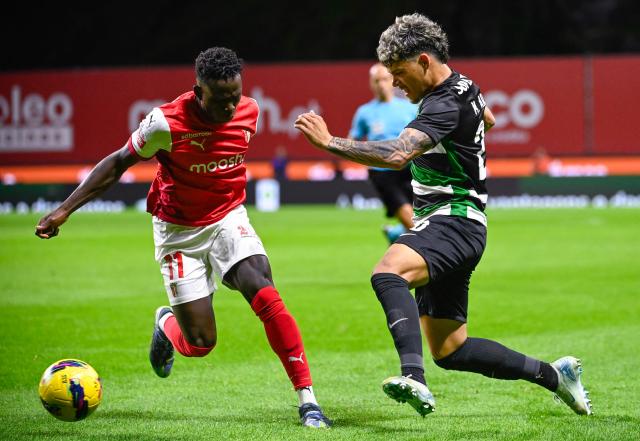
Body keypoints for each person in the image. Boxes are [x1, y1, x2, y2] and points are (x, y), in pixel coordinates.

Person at [295, 14, 591, 417]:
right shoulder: (466, 85)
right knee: (451, 349)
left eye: (399, 74)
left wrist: (329, 142)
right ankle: (555, 376)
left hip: (453, 220)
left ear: (422, 61)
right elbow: (489, 118)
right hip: (461, 223)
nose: (396, 85)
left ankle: (413, 377)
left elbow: (398, 154)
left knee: (388, 273)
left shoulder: (443, 103)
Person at [35, 47, 332, 428]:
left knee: (265, 292)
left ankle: (308, 401)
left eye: (235, 96)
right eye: (220, 99)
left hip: (228, 218)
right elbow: (117, 163)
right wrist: (64, 210)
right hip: (179, 232)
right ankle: (165, 324)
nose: (229, 107)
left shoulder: (251, 110)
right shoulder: (164, 122)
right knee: (201, 343)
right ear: (198, 91)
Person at [349, 62, 418, 244]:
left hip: (411, 170)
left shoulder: (410, 108)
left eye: (385, 79)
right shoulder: (365, 112)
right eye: (376, 80)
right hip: (382, 174)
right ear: (371, 84)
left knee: (423, 219)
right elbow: (351, 142)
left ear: (393, 80)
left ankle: (396, 234)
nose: (381, 84)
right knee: (414, 226)